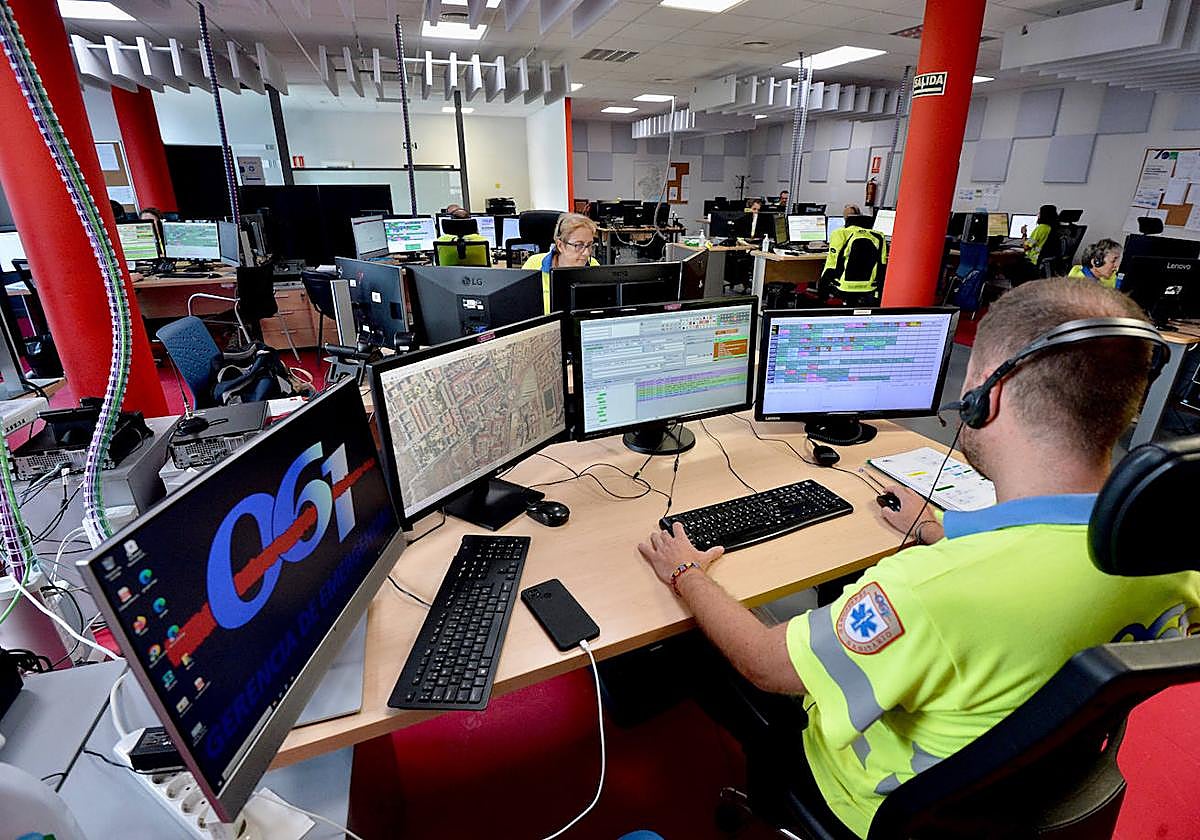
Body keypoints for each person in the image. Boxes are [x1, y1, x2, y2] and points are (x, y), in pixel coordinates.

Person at [637, 278, 1200, 839]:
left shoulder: (927, 590)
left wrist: (686, 572)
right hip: (1023, 788)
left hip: (874, 804)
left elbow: (764, 663)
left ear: (986, 394)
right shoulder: (1172, 556)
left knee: (694, 641)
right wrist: (936, 529)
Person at [521, 212, 599, 314]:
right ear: (560, 245)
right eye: (578, 245)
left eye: (589, 245)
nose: (586, 253)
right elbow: (521, 308)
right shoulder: (533, 265)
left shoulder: (593, 265)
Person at [819, 211, 887, 305]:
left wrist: (822, 291)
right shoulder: (879, 236)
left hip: (843, 286)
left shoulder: (840, 233)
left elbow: (831, 264)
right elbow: (882, 265)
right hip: (869, 287)